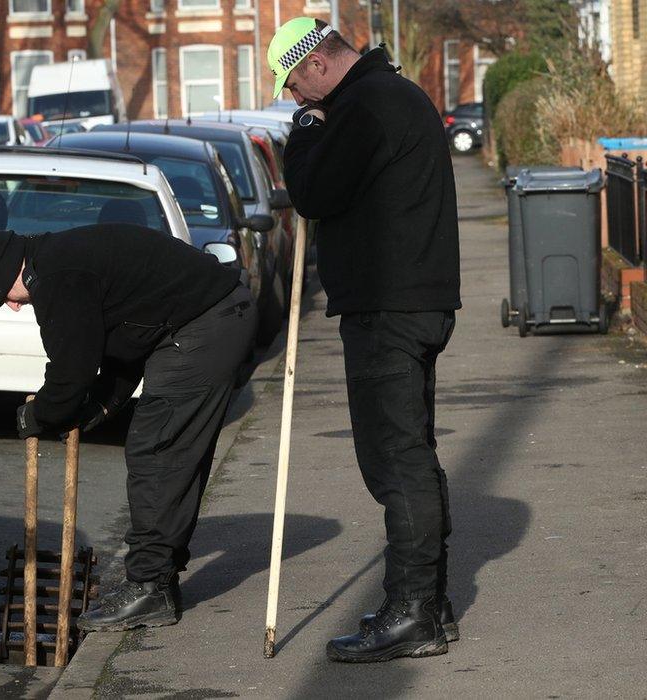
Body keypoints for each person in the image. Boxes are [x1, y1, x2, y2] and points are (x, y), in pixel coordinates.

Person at [268, 17, 462, 662]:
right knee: (409, 452)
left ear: (319, 64)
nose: (296, 100)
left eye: (294, 86)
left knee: (393, 460)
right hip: (412, 299)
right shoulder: (390, 96)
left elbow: (313, 194)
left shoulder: (363, 105)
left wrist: (301, 136)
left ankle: (414, 612)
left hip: (389, 305)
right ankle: (426, 603)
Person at [0, 221, 257, 632]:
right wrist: (101, 407)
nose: (13, 307)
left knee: (156, 450)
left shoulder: (56, 278)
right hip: (209, 318)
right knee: (168, 452)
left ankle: (148, 587)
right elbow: (126, 342)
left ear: (9, 272)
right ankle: (159, 577)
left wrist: (36, 416)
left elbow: (71, 373)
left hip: (206, 325)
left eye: (2, 298)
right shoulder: (59, 259)